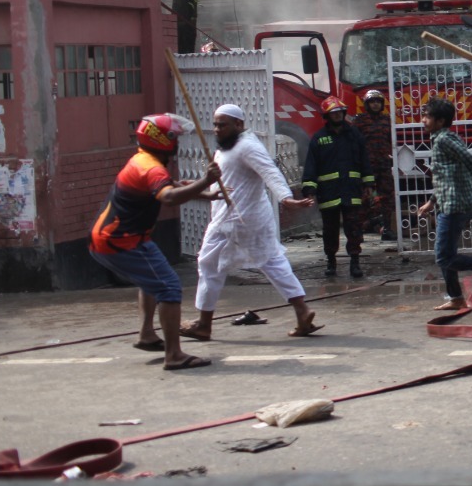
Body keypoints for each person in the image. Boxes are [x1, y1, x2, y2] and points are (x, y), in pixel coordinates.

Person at [89, 114, 222, 371]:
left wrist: (205, 193)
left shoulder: (143, 159)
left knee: (152, 279)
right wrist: (206, 180)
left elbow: (169, 185)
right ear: (163, 140)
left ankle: (147, 334)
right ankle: (174, 355)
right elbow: (169, 196)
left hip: (121, 238)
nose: (178, 143)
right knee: (169, 287)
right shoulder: (150, 167)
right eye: (176, 137)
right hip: (120, 242)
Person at [180, 105, 321, 341]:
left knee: (208, 265)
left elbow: (270, 171)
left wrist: (286, 198)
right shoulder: (226, 148)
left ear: (238, 125)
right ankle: (302, 311)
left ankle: (204, 324)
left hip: (235, 220)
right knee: (273, 262)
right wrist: (200, 184)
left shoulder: (247, 146)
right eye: (215, 124)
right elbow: (226, 181)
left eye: (222, 125)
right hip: (246, 218)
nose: (217, 129)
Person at [415, 97, 472, 312]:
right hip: (449, 203)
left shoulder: (444, 140)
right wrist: (431, 202)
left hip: (455, 206)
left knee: (443, 256)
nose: (423, 120)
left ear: (440, 121)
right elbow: (448, 176)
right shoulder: (443, 139)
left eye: (427, 117)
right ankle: (456, 298)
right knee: (447, 253)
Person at [301, 96, 373, 278]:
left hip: (351, 190)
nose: (337, 116)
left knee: (354, 228)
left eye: (339, 112)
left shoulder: (354, 135)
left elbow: (365, 160)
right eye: (333, 113)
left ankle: (355, 262)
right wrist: (310, 189)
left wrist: (368, 183)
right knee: (330, 230)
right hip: (329, 193)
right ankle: (331, 261)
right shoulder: (319, 138)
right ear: (327, 115)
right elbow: (311, 165)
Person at [354, 89, 396, 241]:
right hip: (366, 167)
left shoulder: (387, 120)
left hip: (384, 165)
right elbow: (354, 144)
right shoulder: (359, 121)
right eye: (372, 102)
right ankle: (358, 230)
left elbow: (393, 141)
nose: (376, 104)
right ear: (367, 104)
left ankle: (387, 229)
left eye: (378, 102)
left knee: (388, 198)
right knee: (365, 198)